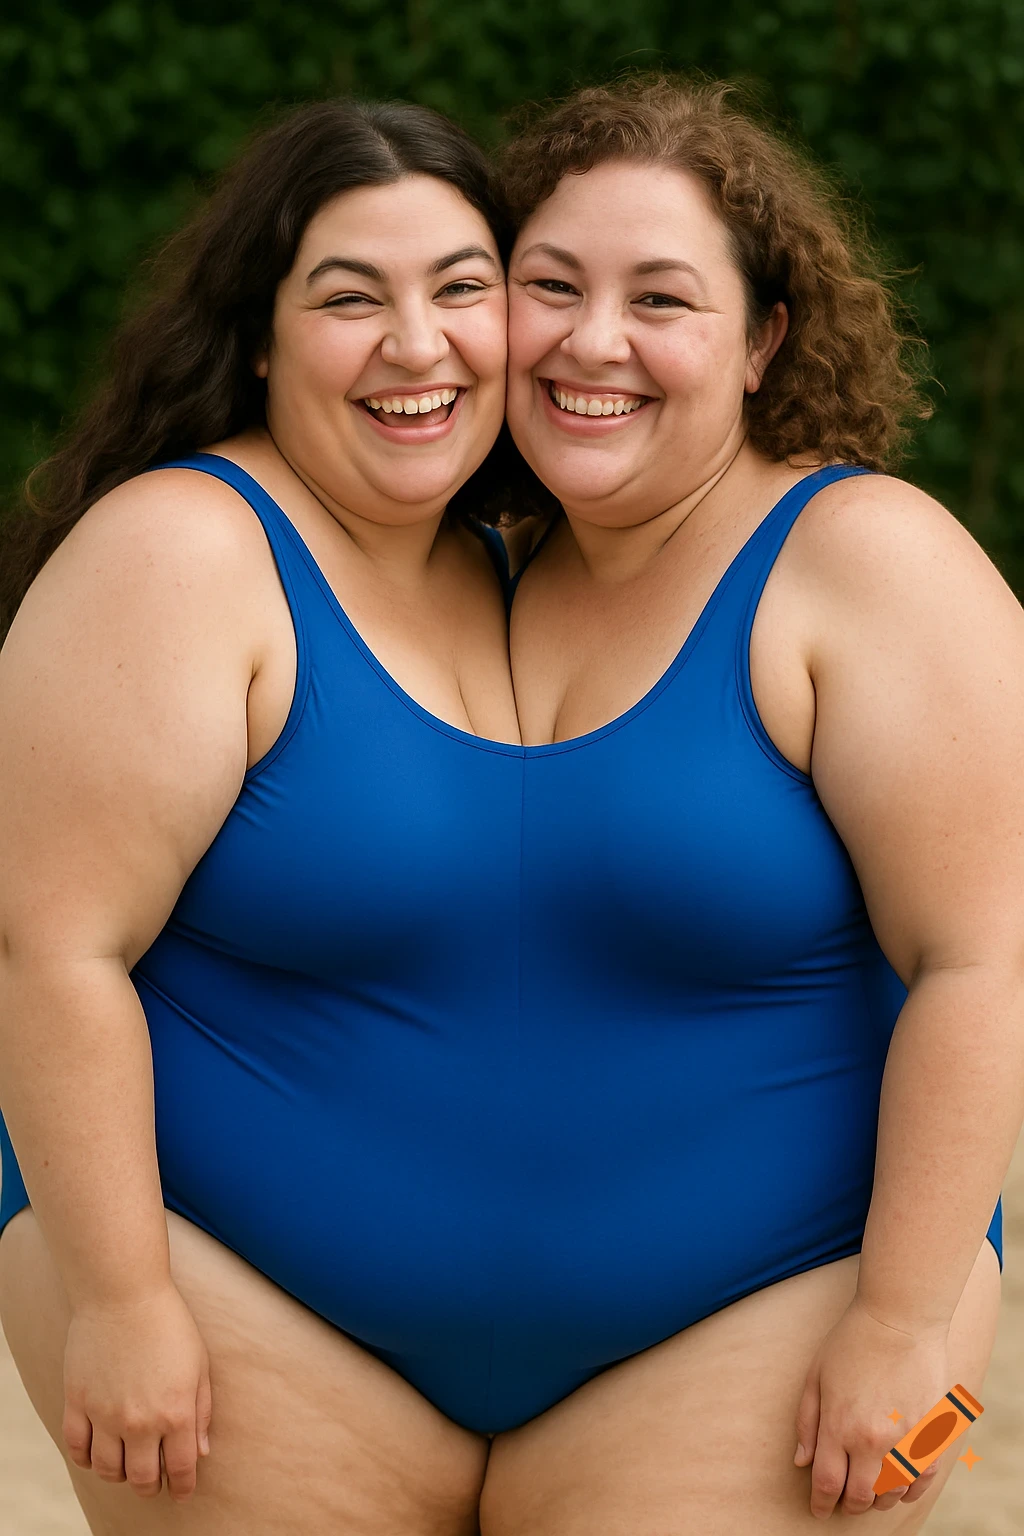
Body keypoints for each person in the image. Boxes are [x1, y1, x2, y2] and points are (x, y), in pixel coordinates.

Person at [486, 76, 1023, 1531]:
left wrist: (902, 1330)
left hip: (798, 1323)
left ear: (763, 340)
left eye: (662, 299)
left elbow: (985, 960)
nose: (595, 341)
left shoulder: (863, 561)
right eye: (552, 285)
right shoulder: (489, 564)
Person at [0, 97, 519, 1533]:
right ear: (259, 337)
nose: (418, 346)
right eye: (351, 299)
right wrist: (122, 1300)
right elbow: (51, 952)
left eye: (461, 289)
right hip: (209, 1292)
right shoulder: (183, 552)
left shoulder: (502, 561)